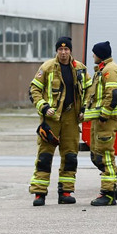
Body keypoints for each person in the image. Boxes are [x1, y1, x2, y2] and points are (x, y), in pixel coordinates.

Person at [28, 37, 89, 206]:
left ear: (70, 51)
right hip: (51, 118)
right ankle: (39, 194)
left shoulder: (80, 69)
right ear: (57, 51)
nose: (63, 53)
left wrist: (84, 109)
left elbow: (90, 90)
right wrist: (44, 107)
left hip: (71, 117)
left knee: (70, 156)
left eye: (66, 50)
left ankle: (66, 192)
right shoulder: (46, 68)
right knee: (45, 156)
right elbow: (34, 89)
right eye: (60, 50)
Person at [83, 41, 117, 206]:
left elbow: (114, 95)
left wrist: (104, 115)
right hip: (101, 120)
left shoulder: (109, 70)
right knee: (96, 156)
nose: (93, 56)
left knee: (104, 157)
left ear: (100, 54)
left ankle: (109, 193)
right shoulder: (103, 69)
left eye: (94, 53)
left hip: (106, 121)